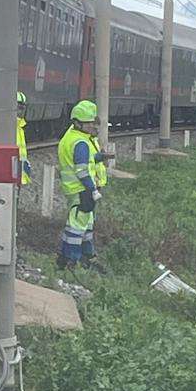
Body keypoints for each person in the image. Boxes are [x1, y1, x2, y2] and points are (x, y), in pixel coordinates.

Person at [57, 99, 108, 269]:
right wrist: (92, 189)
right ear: (79, 123)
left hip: (76, 189)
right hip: (82, 189)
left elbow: (80, 161)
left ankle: (86, 255)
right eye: (91, 123)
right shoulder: (81, 142)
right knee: (77, 226)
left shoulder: (72, 137)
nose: (95, 126)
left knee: (85, 223)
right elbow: (81, 170)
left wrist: (97, 158)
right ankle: (71, 260)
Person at [17, 90, 31, 185]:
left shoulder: (19, 127)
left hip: (19, 177)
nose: (21, 111)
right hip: (12, 177)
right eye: (19, 107)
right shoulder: (8, 127)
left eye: (23, 108)